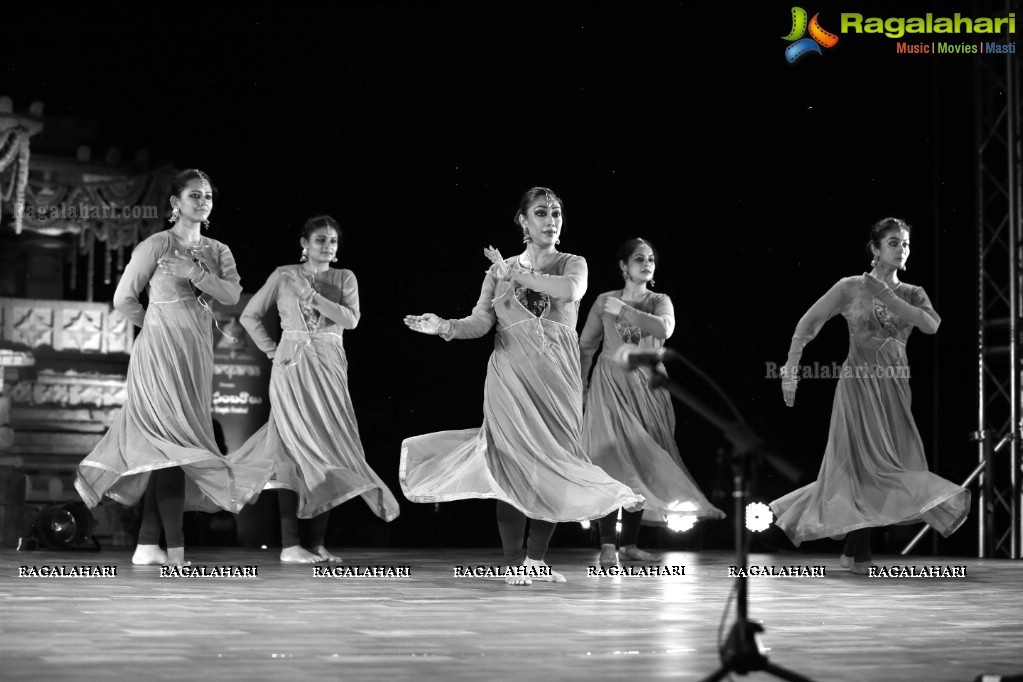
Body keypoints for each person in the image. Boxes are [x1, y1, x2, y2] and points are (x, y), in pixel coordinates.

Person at [401, 187, 643, 585]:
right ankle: (514, 562)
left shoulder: (571, 262)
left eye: (557, 214)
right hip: (509, 375)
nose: (551, 221)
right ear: (523, 221)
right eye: (542, 213)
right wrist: (443, 326)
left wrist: (516, 274)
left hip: (557, 379)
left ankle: (536, 560)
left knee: (557, 461)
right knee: (511, 463)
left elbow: (571, 291)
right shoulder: (497, 272)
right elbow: (480, 323)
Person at [75, 169, 273, 567]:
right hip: (158, 353)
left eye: (208, 197)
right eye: (194, 196)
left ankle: (148, 544)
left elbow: (232, 293)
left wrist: (195, 273)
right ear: (174, 203)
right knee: (172, 445)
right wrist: (154, 324)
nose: (202, 202)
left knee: (175, 447)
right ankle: (177, 551)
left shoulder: (219, 251)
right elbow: (123, 298)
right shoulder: (156, 245)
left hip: (196, 354)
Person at [770, 217, 969, 575]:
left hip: (894, 388)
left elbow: (931, 325)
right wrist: (791, 367)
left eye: (906, 243)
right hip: (858, 385)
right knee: (858, 465)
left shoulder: (912, 292)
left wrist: (887, 295)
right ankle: (860, 553)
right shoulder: (850, 287)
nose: (902, 249)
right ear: (875, 250)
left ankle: (850, 548)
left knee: (890, 467)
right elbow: (808, 324)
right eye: (893, 243)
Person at [229, 215, 400, 563]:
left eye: (333, 241)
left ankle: (317, 543)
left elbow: (351, 320)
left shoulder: (344, 277)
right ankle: (291, 544)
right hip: (291, 370)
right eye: (320, 240)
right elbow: (249, 315)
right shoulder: (283, 274)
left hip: (329, 368)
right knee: (289, 451)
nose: (327, 246)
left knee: (328, 450)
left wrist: (312, 296)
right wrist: (273, 350)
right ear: (304, 244)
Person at [579, 238, 724, 567]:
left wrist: (626, 311)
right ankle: (606, 544)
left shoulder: (659, 300)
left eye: (651, 260)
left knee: (642, 462)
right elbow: (586, 346)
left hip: (648, 390)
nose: (646, 264)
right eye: (639, 259)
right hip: (609, 387)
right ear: (623, 266)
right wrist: (581, 386)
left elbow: (665, 329)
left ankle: (629, 544)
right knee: (611, 462)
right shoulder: (604, 301)